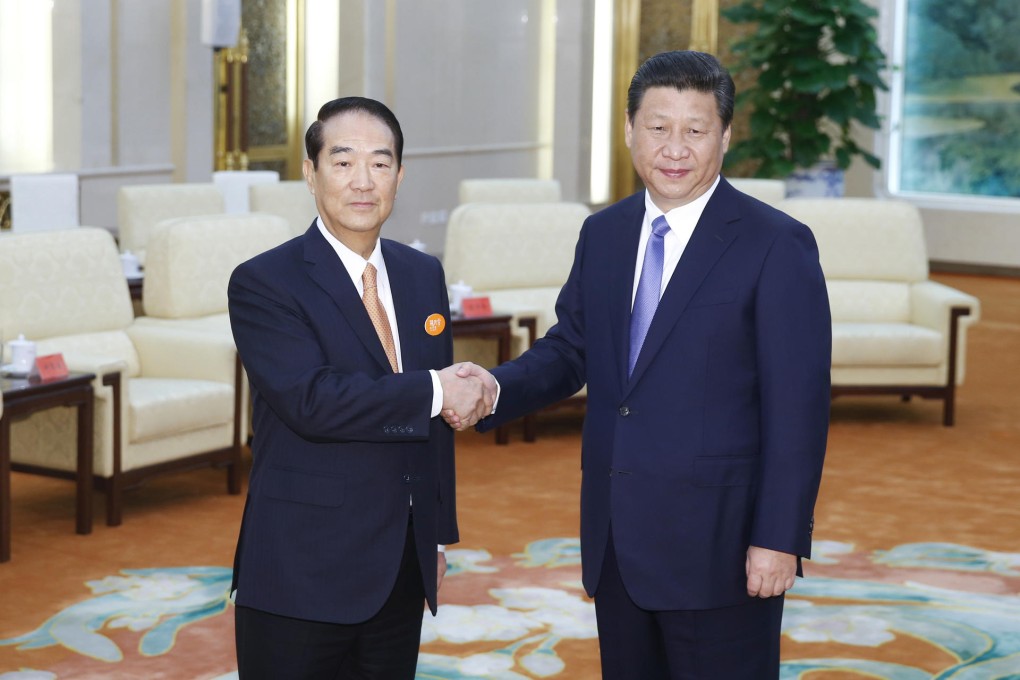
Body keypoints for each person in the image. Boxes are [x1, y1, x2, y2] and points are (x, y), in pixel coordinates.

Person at [448, 51, 831, 678]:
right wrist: (494, 386)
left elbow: (799, 408)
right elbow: (572, 347)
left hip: (722, 547)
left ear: (726, 135)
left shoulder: (775, 244)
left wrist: (780, 537)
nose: (674, 147)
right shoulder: (604, 234)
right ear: (629, 130)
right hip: (619, 541)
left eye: (695, 129)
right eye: (658, 127)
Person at [228, 96, 492, 679]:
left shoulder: (423, 275)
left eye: (380, 162)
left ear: (400, 174)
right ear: (310, 171)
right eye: (343, 161)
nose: (363, 181)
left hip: (399, 565)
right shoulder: (264, 282)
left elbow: (436, 428)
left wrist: (437, 539)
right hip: (301, 571)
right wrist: (433, 390)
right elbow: (314, 401)